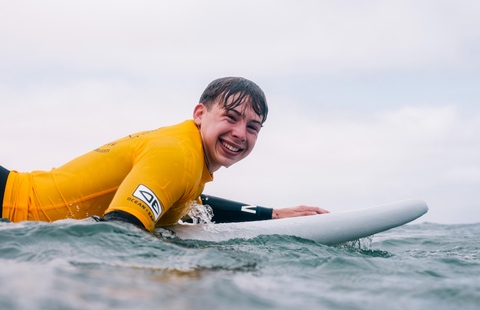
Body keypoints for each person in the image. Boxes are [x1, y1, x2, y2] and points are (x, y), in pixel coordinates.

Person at [0, 77, 328, 232]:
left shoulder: (189, 158)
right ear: (200, 113)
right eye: (230, 117)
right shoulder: (177, 157)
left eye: (253, 127)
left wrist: (270, 215)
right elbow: (118, 232)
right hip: (12, 210)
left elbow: (192, 204)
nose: (240, 134)